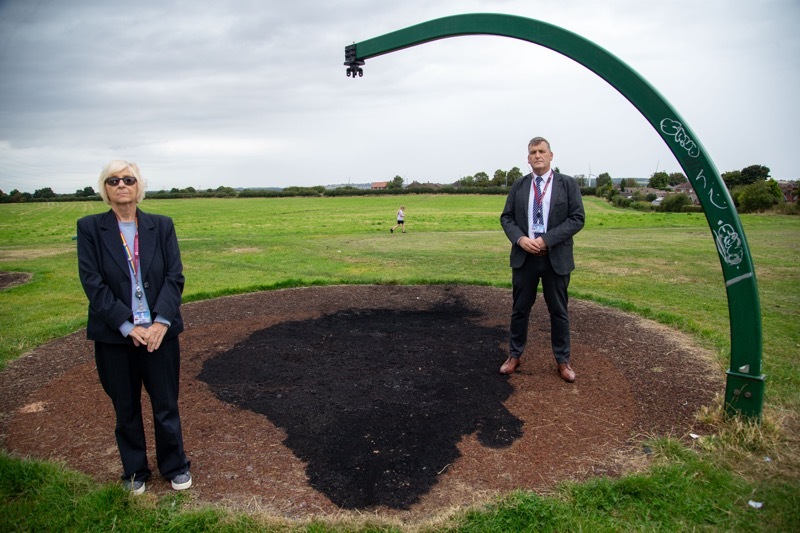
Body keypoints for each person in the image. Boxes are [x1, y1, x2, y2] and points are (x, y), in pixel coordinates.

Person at [77, 160, 192, 495]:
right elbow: (93, 283)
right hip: (116, 336)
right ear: (105, 189)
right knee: (125, 406)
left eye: (128, 179)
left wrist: (161, 322)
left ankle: (175, 466)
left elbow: (174, 277)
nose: (122, 185)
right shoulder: (90, 228)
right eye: (113, 181)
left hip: (159, 335)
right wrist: (126, 326)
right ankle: (134, 471)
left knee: (166, 403)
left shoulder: (162, 225)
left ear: (139, 186)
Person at [499, 137, 585, 382]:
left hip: (554, 258)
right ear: (528, 158)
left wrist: (546, 239)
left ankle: (563, 361)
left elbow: (577, 219)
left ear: (550, 155)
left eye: (541, 151)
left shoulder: (567, 184)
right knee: (519, 310)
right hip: (524, 258)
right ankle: (514, 355)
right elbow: (507, 218)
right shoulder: (519, 185)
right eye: (532, 152)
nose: (537, 155)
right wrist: (520, 239)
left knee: (559, 312)